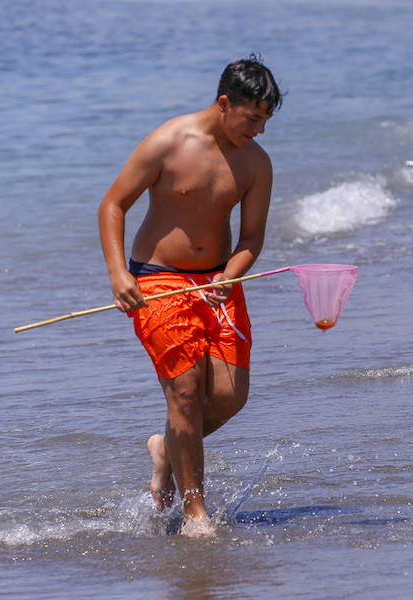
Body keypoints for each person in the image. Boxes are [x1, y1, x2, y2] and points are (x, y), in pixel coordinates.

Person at [98, 55, 283, 536]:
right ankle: (195, 512)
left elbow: (252, 238)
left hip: (218, 282)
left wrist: (233, 273)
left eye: (266, 119)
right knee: (185, 393)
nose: (260, 130)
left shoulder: (256, 163)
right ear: (225, 104)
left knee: (228, 396)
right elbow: (113, 204)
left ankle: (166, 450)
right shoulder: (168, 141)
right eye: (253, 118)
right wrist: (119, 274)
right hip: (158, 279)